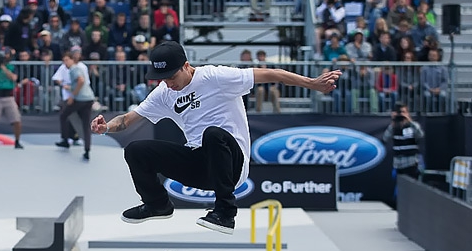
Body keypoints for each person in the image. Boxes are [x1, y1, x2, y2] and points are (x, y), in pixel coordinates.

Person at [89, 41, 341, 234]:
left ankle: (225, 212)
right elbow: (127, 120)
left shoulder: (215, 77)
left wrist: (312, 83)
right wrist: (106, 127)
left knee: (213, 135)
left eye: (173, 77)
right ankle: (157, 204)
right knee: (135, 150)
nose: (168, 84)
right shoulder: (164, 93)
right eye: (163, 79)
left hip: (232, 164)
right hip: (201, 166)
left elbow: (271, 73)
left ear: (186, 67)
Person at [54, 50, 95, 160]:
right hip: (89, 98)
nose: (65, 63)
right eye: (63, 61)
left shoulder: (74, 69)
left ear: (72, 60)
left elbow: (81, 81)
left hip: (80, 99)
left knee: (64, 115)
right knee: (86, 125)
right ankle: (87, 150)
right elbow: (80, 82)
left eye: (67, 60)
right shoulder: (78, 68)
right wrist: (71, 88)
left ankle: (65, 140)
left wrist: (72, 95)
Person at [382, 102, 423, 181]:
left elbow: (420, 135)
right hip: (398, 163)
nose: (402, 114)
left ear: (408, 113)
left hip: (412, 162)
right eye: (400, 112)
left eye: (404, 112)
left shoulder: (412, 125)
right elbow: (385, 138)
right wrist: (393, 122)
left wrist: (409, 120)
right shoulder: (394, 126)